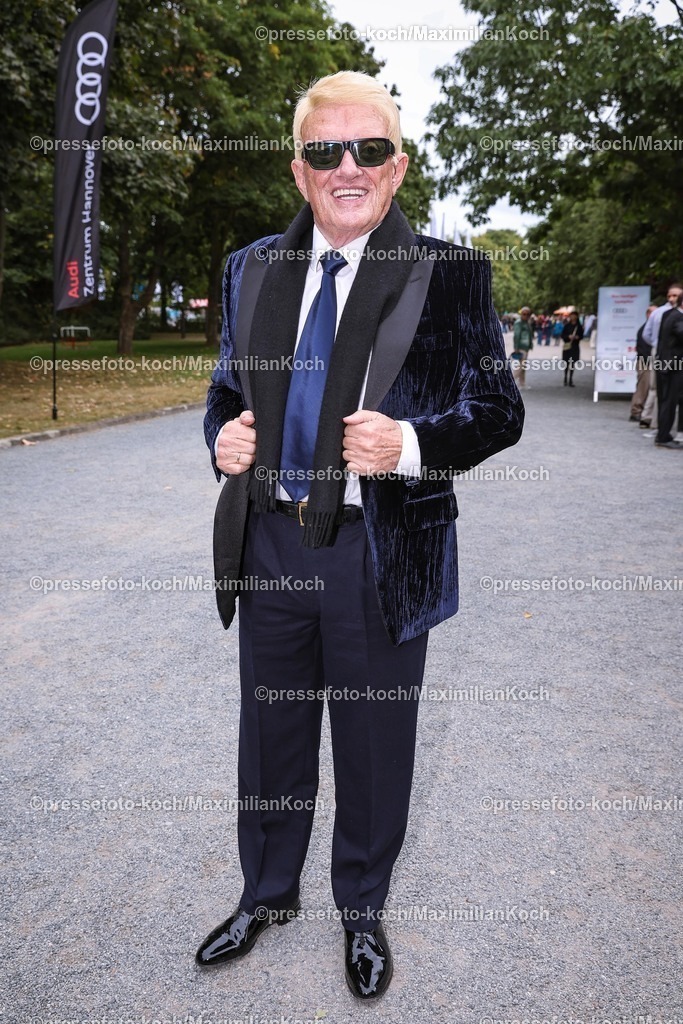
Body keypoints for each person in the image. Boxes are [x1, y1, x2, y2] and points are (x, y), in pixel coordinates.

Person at [197, 70, 524, 1000]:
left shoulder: (452, 273)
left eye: (367, 149)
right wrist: (220, 433)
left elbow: (497, 411)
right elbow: (228, 385)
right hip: (266, 539)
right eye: (324, 150)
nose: (346, 167)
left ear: (397, 166)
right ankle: (266, 894)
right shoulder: (252, 266)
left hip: (378, 548)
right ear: (298, 170)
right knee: (270, 731)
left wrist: (414, 443)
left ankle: (362, 908)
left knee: (376, 741)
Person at [640, 283, 683, 429]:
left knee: (665, 391)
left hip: (666, 354)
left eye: (675, 295)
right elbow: (646, 334)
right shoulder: (661, 313)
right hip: (664, 354)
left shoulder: (668, 313)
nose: (672, 298)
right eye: (670, 295)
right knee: (659, 390)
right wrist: (658, 346)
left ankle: (662, 426)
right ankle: (656, 424)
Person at [654, 290, 683, 448]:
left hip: (665, 363)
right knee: (669, 402)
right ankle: (663, 436)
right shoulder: (679, 317)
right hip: (673, 366)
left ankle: (663, 433)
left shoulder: (669, 314)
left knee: (666, 400)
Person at [629, 305, 657, 422]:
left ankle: (641, 411)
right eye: (652, 313)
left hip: (648, 361)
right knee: (643, 388)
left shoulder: (651, 329)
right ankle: (636, 411)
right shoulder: (645, 329)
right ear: (647, 314)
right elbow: (644, 349)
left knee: (647, 388)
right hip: (645, 362)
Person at [512, 306, 534, 388]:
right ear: (521, 314)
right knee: (521, 366)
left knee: (523, 366)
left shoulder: (527, 323)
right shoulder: (519, 323)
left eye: (528, 314)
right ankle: (510, 382)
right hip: (521, 346)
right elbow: (516, 336)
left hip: (526, 346)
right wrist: (516, 347)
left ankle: (522, 383)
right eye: (524, 314)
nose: (526, 315)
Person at [561, 310, 583, 386]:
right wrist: (568, 336)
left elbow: (581, 336)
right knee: (566, 363)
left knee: (573, 363)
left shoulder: (579, 326)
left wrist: (577, 337)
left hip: (575, 346)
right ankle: (565, 378)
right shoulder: (567, 326)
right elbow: (563, 335)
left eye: (574, 315)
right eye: (571, 315)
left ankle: (570, 379)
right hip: (567, 346)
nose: (572, 317)